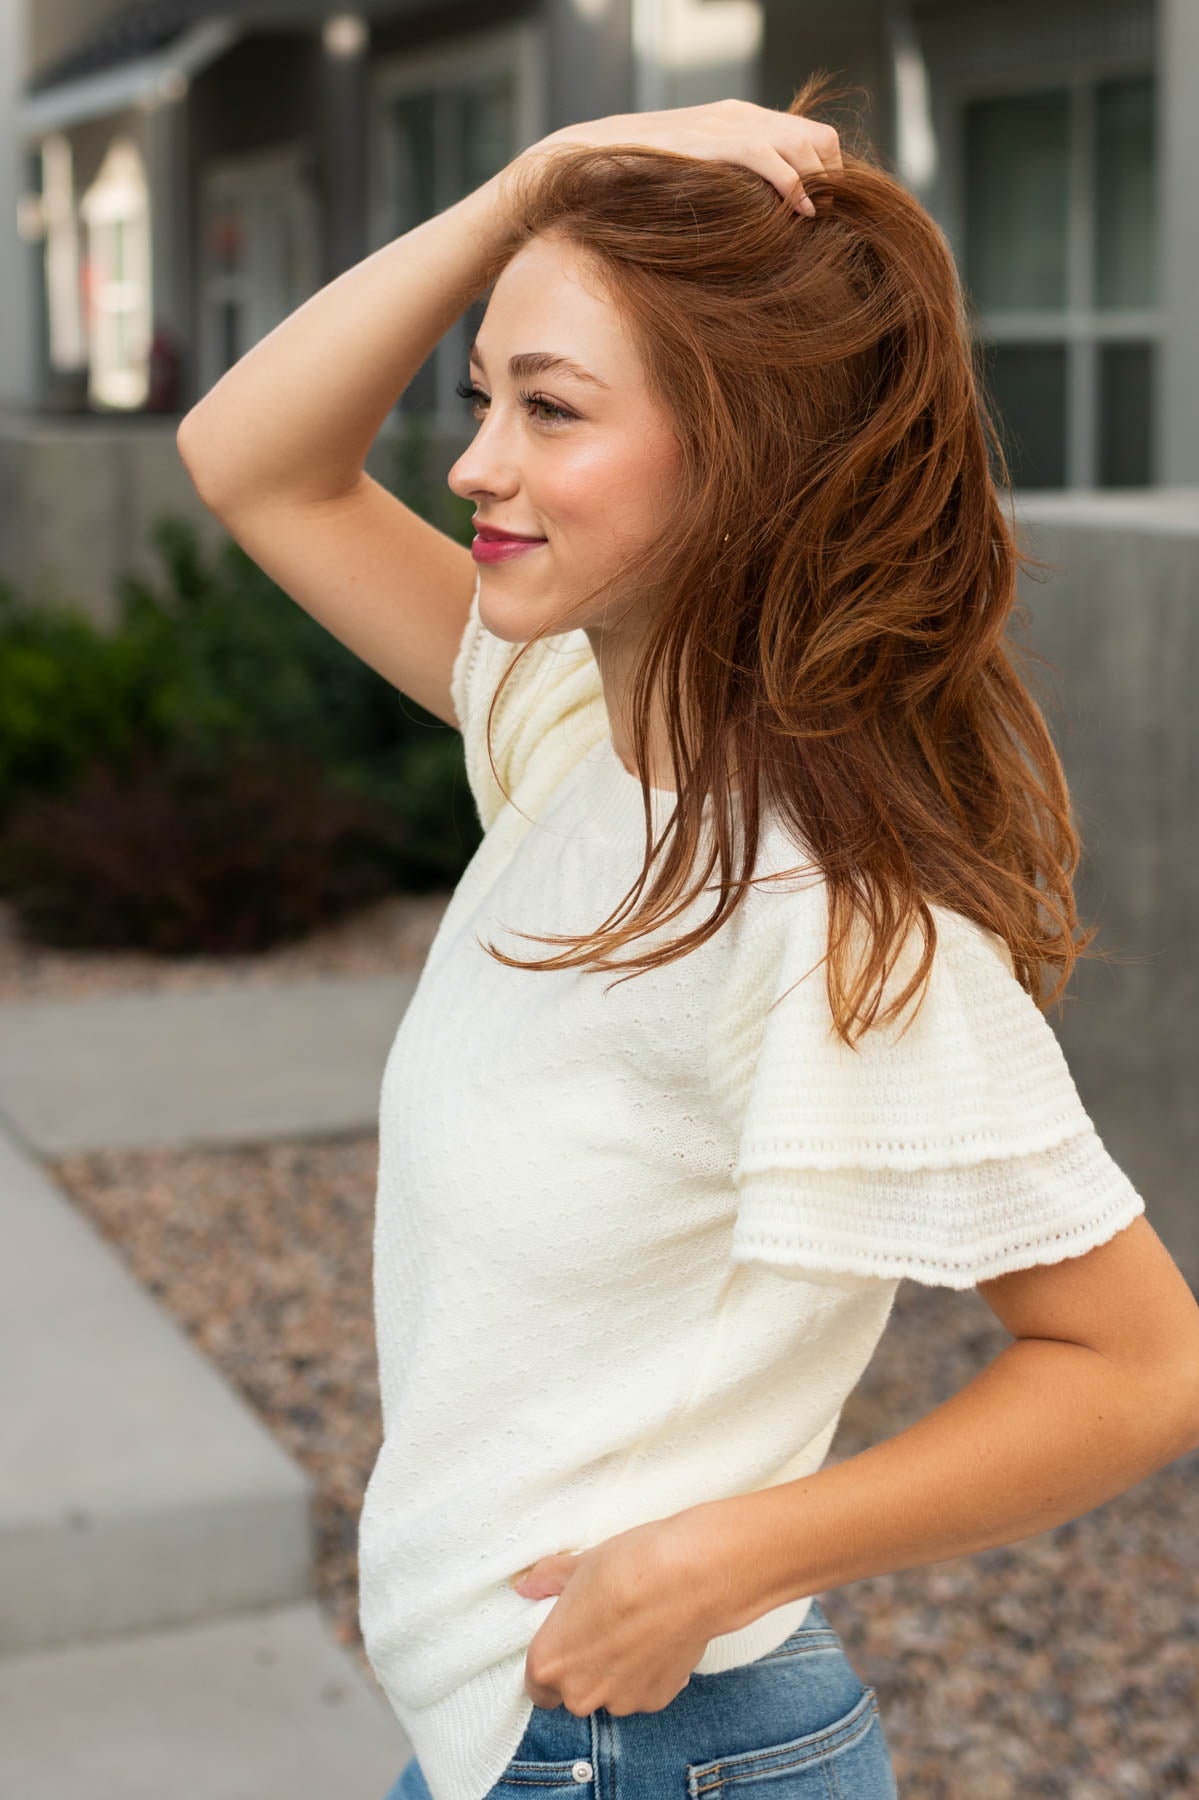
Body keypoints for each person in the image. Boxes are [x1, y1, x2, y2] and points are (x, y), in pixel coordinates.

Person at [176, 75, 1199, 1800]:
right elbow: (253, 459)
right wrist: (535, 183)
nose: (476, 460)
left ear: (748, 456)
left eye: (551, 409)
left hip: (639, 1745)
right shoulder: (574, 735)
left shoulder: (809, 907)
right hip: (520, 1731)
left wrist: (720, 1558)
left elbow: (1142, 1361)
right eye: (485, 394)